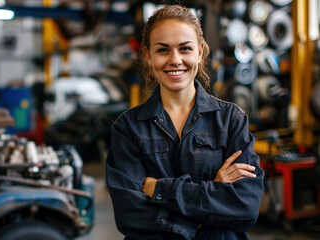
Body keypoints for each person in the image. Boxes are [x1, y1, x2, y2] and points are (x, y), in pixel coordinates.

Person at [105, 4, 264, 240]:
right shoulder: (128, 127)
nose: (175, 60)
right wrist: (210, 200)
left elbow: (245, 208)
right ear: (148, 56)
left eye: (185, 48)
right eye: (163, 50)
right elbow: (130, 214)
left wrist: (160, 189)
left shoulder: (231, 121)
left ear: (200, 52)